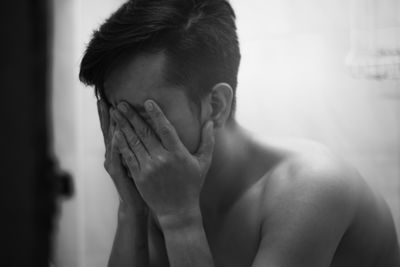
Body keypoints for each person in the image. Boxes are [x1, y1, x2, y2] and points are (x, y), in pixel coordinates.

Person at [79, 0, 400, 266]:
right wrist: (130, 210)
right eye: (116, 114)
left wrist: (181, 221)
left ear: (216, 105)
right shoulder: (164, 183)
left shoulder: (312, 186)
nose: (127, 137)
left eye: (145, 114)